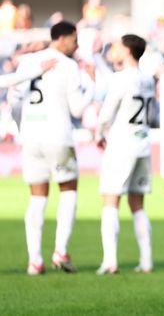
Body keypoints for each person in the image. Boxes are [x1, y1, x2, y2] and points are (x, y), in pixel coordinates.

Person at [10, 21, 96, 275]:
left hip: (31, 136)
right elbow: (78, 109)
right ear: (62, 38)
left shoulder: (28, 61)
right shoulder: (68, 66)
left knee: (37, 197)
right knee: (68, 190)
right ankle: (60, 250)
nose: (77, 44)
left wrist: (22, 126)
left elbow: (15, 99)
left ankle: (34, 260)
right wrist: (90, 85)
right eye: (74, 38)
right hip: (58, 136)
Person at [95, 34, 155, 275]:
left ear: (128, 51)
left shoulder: (121, 79)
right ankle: (147, 260)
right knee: (137, 204)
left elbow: (105, 114)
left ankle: (110, 261)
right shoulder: (148, 79)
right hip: (143, 142)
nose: (114, 49)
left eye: (118, 46)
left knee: (110, 201)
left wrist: (99, 134)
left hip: (121, 143)